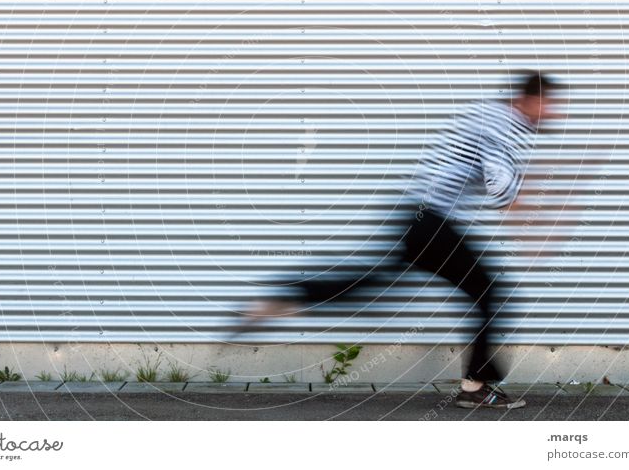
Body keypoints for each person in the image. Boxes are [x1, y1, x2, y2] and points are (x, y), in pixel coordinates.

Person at [235, 70, 558, 410]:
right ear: (530, 100)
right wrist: (533, 215)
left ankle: (280, 299)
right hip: (433, 222)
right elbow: (500, 187)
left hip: (417, 218)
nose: (554, 114)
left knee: (371, 286)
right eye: (550, 105)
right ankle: (475, 385)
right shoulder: (501, 125)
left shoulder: (487, 113)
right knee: (487, 290)